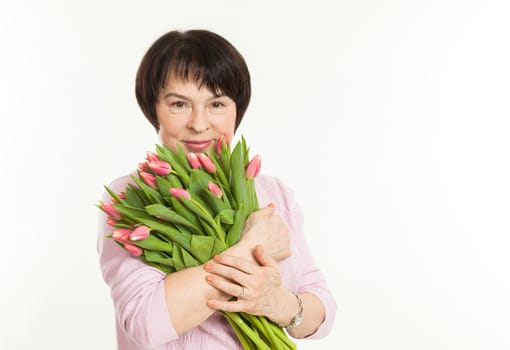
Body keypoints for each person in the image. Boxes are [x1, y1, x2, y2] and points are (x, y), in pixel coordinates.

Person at [97, 29, 337, 349]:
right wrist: (250, 249)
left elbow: (322, 308)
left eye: (217, 104)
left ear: (237, 108)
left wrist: (280, 303)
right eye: (180, 104)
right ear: (153, 108)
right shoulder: (133, 196)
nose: (199, 123)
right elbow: (144, 322)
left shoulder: (272, 193)